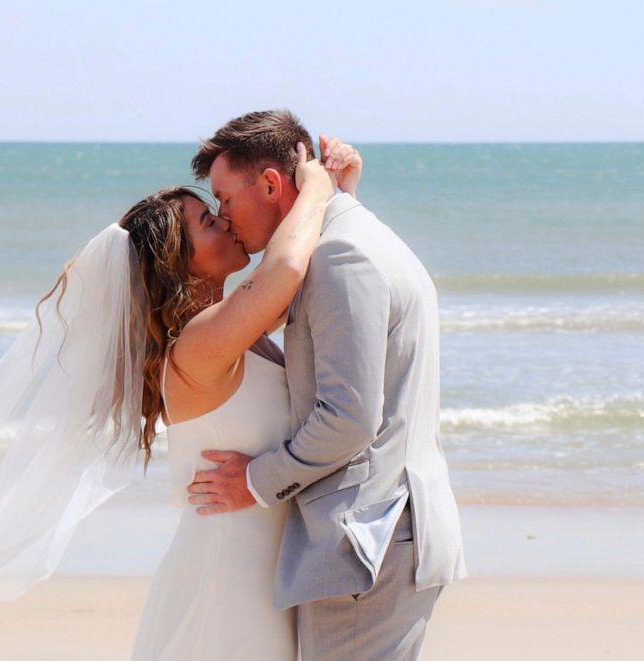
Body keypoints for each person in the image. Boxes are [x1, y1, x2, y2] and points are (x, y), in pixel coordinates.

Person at [0, 131, 362, 660]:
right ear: (179, 260)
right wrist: (314, 187)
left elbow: (320, 296)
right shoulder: (196, 347)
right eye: (208, 221)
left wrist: (345, 198)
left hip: (260, 565)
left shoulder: (237, 328)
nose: (225, 220)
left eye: (218, 210)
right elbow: (284, 268)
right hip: (229, 577)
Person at [187, 109, 467, 660]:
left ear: (270, 183)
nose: (224, 216)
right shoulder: (355, 238)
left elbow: (349, 418)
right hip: (384, 537)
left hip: (365, 545)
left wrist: (256, 481)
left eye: (224, 198)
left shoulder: (341, 256)